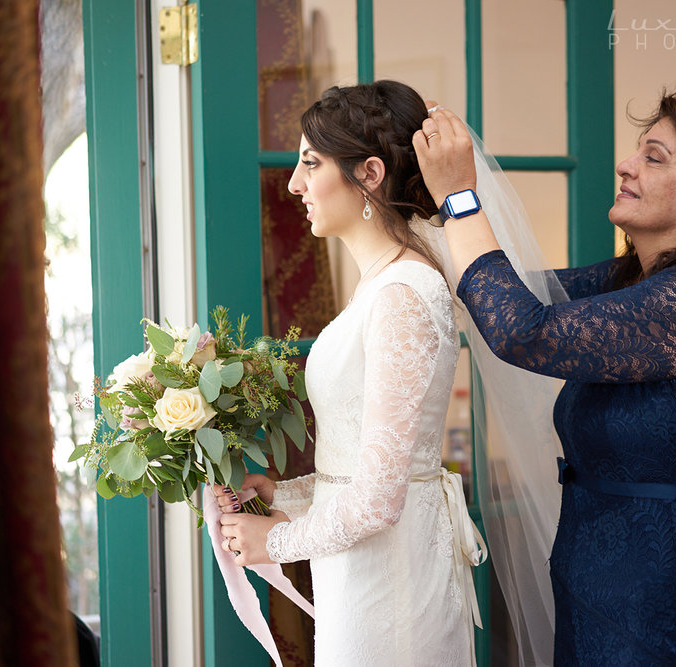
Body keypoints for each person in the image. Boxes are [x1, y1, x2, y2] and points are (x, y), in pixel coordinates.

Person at [412, 91, 676, 665]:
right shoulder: (628, 280)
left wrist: (461, 196)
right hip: (593, 585)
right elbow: (491, 294)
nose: (626, 165)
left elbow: (524, 331)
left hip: (669, 605)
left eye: (654, 157)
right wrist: (416, 181)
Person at [208, 80, 485, 666]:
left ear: (370, 174)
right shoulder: (383, 286)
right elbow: (367, 472)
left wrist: (274, 541)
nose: (293, 183)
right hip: (363, 574)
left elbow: (380, 501)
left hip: (392, 585)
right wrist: (286, 493)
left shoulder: (403, 294)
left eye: (311, 163)